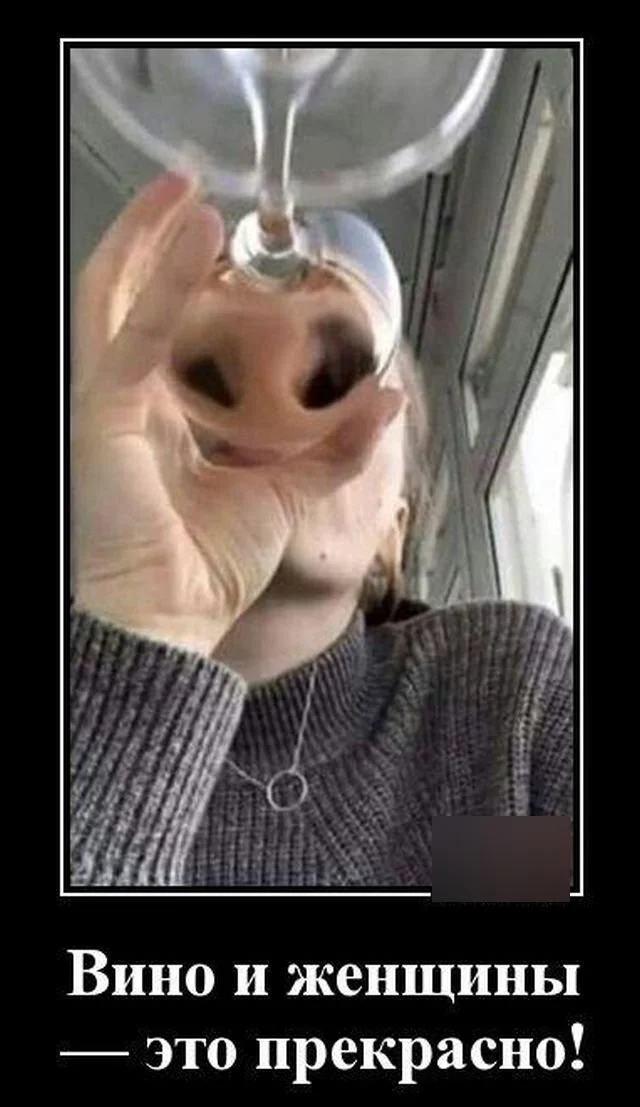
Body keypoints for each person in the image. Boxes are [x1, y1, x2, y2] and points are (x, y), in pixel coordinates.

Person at [70, 173, 573, 888]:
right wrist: (144, 646)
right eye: (209, 372)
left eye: (337, 376)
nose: (273, 410)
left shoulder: (503, 705)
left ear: (393, 536)